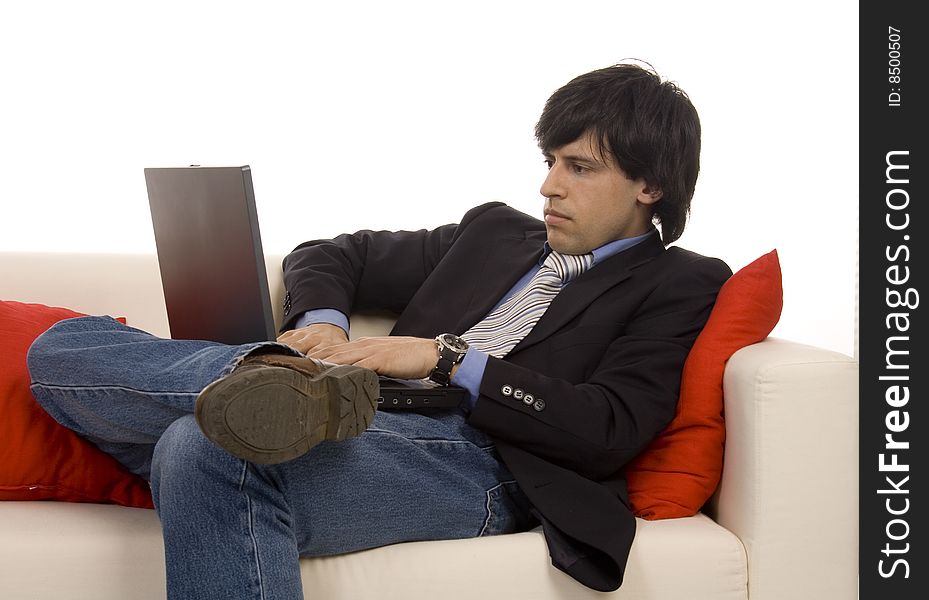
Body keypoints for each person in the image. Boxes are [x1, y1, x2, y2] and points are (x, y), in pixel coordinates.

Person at [27, 62, 731, 598]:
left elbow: (610, 426)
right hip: (362, 418)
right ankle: (280, 375)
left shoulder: (680, 282)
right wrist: (324, 326)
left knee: (203, 447)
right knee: (62, 350)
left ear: (650, 186)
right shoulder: (494, 233)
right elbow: (330, 254)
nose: (549, 185)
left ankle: (270, 383)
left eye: (579, 168)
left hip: (482, 462)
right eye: (549, 161)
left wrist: (447, 356)